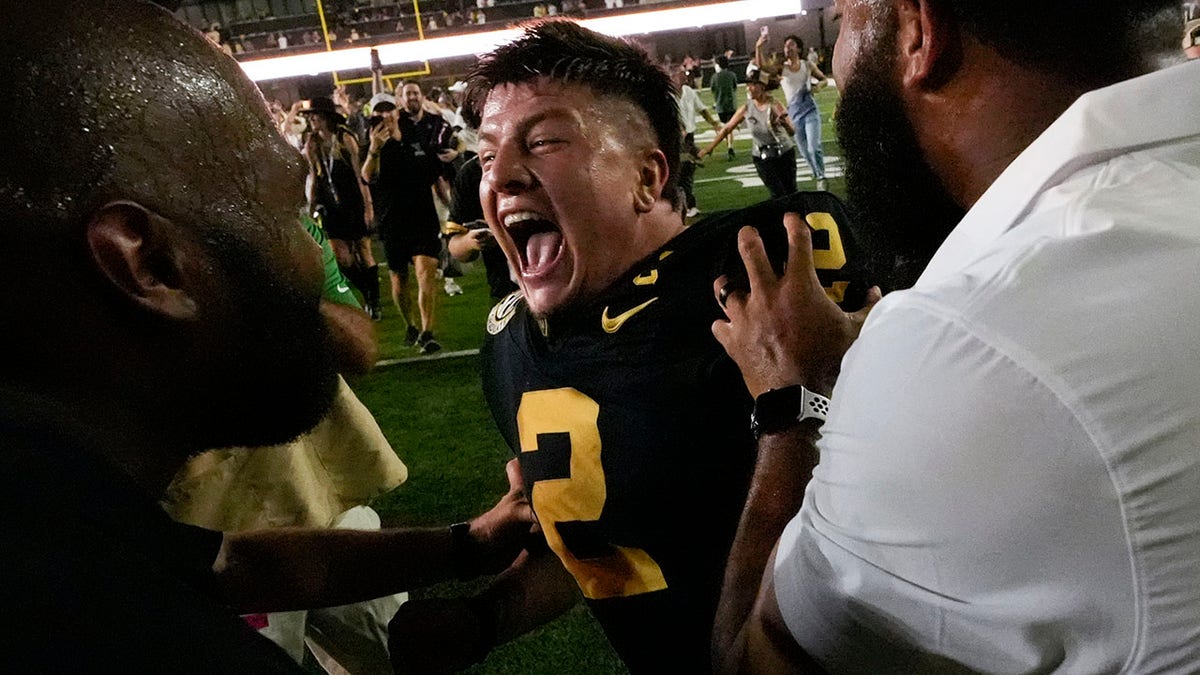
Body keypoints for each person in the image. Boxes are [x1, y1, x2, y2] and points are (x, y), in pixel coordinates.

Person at [2, 2, 537, 671]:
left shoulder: (61, 509)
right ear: (149, 263)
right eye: (283, 208)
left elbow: (227, 560)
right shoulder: (131, 632)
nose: (312, 260)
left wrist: (469, 542)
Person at [711, 0, 1199, 672]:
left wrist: (795, 399)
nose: (840, 54)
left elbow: (749, 660)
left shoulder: (971, 345)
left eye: (850, 16)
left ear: (919, 30)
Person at [386, 19, 879, 674]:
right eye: (486, 154)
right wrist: (486, 617)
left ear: (648, 176)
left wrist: (804, 400)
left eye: (544, 142)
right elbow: (615, 547)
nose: (500, 175)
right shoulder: (511, 343)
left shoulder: (761, 264)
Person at [362, 83, 457, 354]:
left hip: (422, 215)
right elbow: (367, 177)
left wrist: (450, 206)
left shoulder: (416, 132)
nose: (384, 116)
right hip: (392, 219)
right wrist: (374, 149)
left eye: (388, 110)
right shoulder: (372, 139)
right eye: (379, 112)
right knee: (399, 279)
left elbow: (434, 172)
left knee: (426, 271)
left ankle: (427, 332)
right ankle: (410, 325)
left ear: (396, 109)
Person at [300, 96, 382, 320]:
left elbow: (360, 177)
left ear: (325, 117)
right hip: (331, 205)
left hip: (352, 201)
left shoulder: (345, 138)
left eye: (314, 115)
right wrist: (313, 204)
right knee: (341, 257)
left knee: (364, 250)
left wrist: (368, 208)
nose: (311, 120)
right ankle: (367, 289)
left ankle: (374, 302)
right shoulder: (312, 142)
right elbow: (316, 176)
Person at [699, 67, 797, 199]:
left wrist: (784, 123)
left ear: (762, 86)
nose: (748, 88)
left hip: (783, 154)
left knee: (791, 193)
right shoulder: (746, 108)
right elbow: (728, 128)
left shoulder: (774, 105)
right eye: (748, 84)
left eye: (753, 84)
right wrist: (710, 148)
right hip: (761, 156)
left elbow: (792, 131)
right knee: (777, 194)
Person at [755, 33, 829, 191]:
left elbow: (824, 80)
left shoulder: (807, 65)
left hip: (810, 111)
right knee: (804, 151)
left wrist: (817, 87)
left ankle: (821, 177)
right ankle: (817, 174)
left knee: (813, 147)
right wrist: (759, 47)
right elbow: (763, 68)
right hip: (794, 114)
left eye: (791, 45)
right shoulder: (782, 68)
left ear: (799, 48)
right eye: (785, 45)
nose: (787, 48)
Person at [671, 63, 722, 218]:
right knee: (682, 171)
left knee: (686, 171)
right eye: (680, 73)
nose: (684, 76)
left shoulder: (689, 92)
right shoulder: (667, 95)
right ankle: (684, 204)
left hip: (689, 138)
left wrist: (714, 123)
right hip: (675, 138)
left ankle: (686, 204)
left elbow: (702, 109)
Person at [710, 54, 740, 159]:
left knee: (724, 127)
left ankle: (728, 145)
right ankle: (730, 146)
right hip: (731, 105)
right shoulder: (731, 75)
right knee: (729, 128)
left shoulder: (714, 77)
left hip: (720, 106)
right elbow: (735, 87)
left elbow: (713, 90)